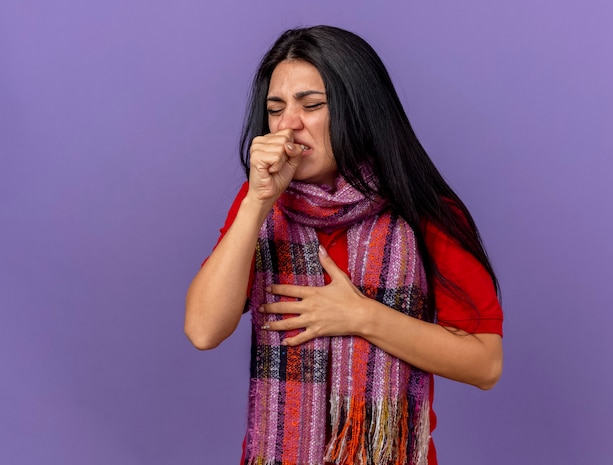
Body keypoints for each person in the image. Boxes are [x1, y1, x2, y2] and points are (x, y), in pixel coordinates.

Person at [185, 25, 503, 465]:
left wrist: (361, 316)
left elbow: (484, 364)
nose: (288, 124)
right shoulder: (258, 204)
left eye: (311, 105)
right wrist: (259, 201)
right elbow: (203, 329)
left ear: (359, 109)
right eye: (275, 109)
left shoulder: (425, 211)